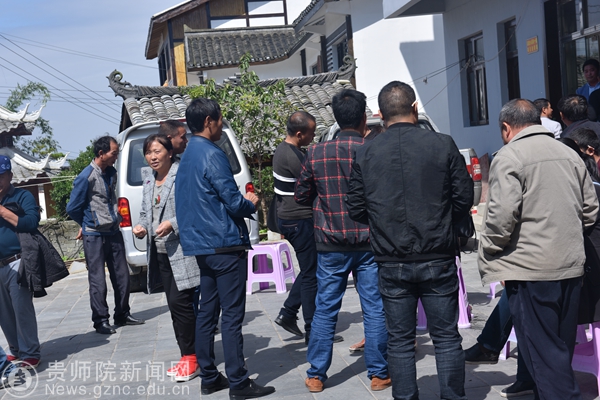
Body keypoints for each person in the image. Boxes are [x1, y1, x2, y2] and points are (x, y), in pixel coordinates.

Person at [346, 81, 473, 400]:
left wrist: (384, 222)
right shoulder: (442, 144)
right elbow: (464, 197)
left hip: (391, 258)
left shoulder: (366, 152)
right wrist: (441, 219)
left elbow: (356, 207)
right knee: (446, 338)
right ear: (414, 108)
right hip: (437, 253)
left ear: (380, 114)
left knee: (400, 341)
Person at [478, 99, 599, 399]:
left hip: (532, 270)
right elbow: (590, 209)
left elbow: (501, 219)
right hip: (571, 265)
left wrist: (490, 250)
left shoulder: (509, 156)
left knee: (543, 354)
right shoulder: (568, 153)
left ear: (506, 128)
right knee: (559, 347)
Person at [175, 98, 274, 399]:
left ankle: (209, 376)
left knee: (207, 312)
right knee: (231, 315)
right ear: (208, 121)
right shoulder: (212, 153)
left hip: (202, 246)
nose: (220, 125)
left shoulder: (187, 155)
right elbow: (232, 202)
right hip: (224, 244)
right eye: (219, 120)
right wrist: (251, 203)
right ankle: (239, 382)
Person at [296, 89, 389, 393]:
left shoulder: (315, 153)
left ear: (336, 118)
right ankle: (378, 373)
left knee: (325, 308)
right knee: (374, 307)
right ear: (363, 117)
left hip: (330, 242)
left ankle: (316, 375)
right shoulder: (373, 150)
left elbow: (301, 195)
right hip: (369, 242)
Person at [132, 133, 200, 382]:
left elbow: (194, 208)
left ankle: (193, 358)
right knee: (174, 306)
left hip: (182, 251)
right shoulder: (149, 178)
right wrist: (141, 227)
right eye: (148, 152)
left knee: (181, 304)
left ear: (170, 153)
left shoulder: (181, 174)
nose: (152, 156)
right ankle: (187, 355)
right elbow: (145, 212)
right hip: (160, 253)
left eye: (157, 151)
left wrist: (173, 223)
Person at [272, 111, 343, 344]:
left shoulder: (287, 150)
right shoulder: (292, 156)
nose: (313, 137)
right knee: (311, 273)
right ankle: (313, 330)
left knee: (309, 268)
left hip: (292, 219)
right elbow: (314, 182)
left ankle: (289, 312)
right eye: (311, 133)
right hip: (299, 220)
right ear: (300, 133)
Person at [66, 136, 145, 335]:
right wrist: (86, 223)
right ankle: (101, 320)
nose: (116, 157)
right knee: (98, 281)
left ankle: (122, 314)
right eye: (114, 153)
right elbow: (72, 207)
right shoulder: (86, 177)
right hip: (94, 236)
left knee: (122, 277)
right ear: (101, 154)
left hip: (114, 232)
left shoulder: (111, 172)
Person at [0, 155, 41, 368]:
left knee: (21, 308)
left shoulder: (22, 196)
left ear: (9, 175)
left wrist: (3, 211)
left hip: (18, 261)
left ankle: (30, 352)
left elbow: (32, 221)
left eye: (1, 176)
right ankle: (15, 349)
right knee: (4, 312)